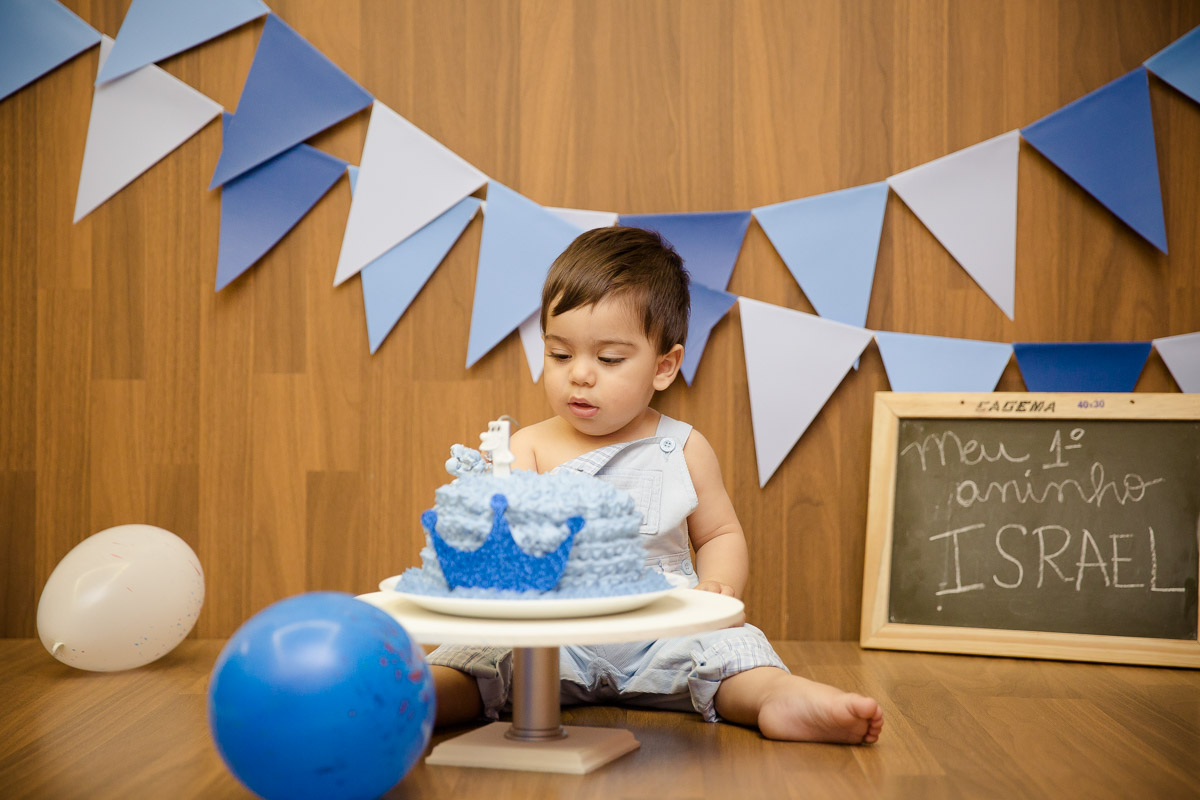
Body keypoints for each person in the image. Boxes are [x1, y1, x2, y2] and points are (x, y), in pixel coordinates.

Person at [429, 226, 883, 744]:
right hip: (555, 635)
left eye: (609, 359)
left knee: (733, 651)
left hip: (663, 630)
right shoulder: (527, 446)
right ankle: (419, 696)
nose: (580, 375)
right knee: (479, 653)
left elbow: (719, 534)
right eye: (559, 354)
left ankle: (778, 698)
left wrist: (719, 589)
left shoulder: (684, 447)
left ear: (663, 367)